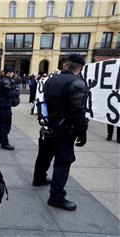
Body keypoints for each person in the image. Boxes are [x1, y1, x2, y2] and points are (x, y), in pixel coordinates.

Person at [38, 54, 88, 211]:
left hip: (48, 125)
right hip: (65, 129)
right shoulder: (77, 83)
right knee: (63, 161)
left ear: (65, 65)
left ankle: (38, 178)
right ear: (80, 67)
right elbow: (78, 111)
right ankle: (56, 197)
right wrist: (82, 132)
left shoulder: (50, 80)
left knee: (44, 154)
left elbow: (43, 102)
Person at [0, 66, 17, 150]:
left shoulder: (4, 80)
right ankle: (4, 143)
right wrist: (15, 90)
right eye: (13, 72)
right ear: (9, 72)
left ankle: (0, 139)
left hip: (3, 104)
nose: (13, 74)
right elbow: (9, 94)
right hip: (5, 104)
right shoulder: (6, 81)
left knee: (2, 122)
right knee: (6, 124)